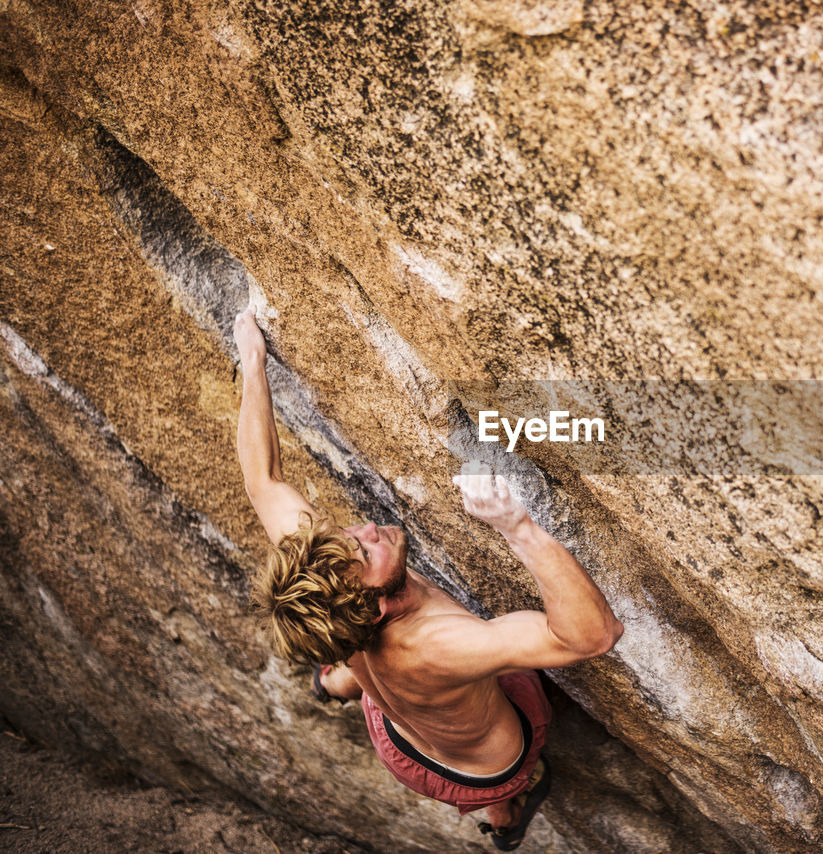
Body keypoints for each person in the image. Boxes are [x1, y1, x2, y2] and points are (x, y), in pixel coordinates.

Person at [233, 309, 623, 850]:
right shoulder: (439, 645)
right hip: (478, 768)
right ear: (375, 609)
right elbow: (589, 637)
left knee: (364, 668)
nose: (367, 529)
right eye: (364, 552)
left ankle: (339, 681)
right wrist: (518, 527)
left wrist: (252, 360)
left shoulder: (327, 584)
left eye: (351, 535)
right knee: (503, 773)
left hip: (394, 731)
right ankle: (505, 824)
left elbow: (263, 480)